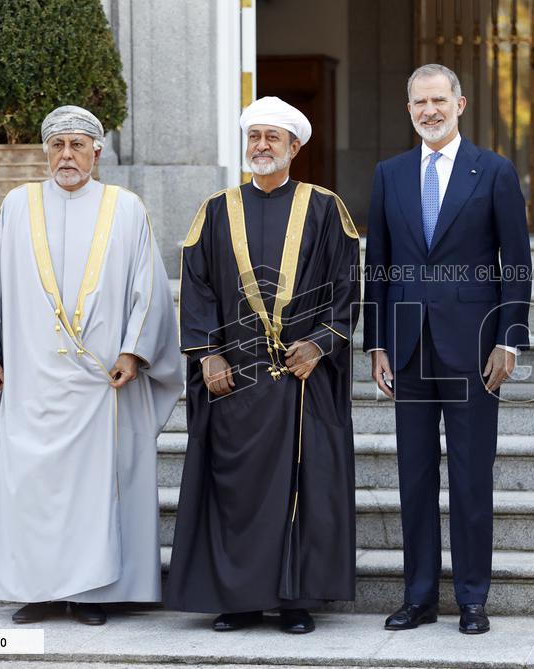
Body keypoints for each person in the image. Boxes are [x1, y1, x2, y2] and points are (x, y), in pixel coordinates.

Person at [0, 105, 183, 626]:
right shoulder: (17, 205)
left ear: (97, 151)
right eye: (58, 145)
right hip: (30, 378)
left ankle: (93, 592)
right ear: (46, 151)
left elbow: (149, 287)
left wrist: (134, 350)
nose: (67, 155)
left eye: (78, 145)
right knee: (34, 486)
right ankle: (39, 590)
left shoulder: (125, 208)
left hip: (103, 382)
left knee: (95, 490)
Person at [165, 96, 361, 635]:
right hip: (236, 377)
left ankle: (295, 601)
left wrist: (320, 344)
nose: (262, 145)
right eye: (254, 136)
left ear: (294, 147)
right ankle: (238, 600)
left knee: (302, 485)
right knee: (238, 491)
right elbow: (197, 286)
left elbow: (346, 285)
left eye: (273, 137)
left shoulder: (325, 208)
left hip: (303, 378)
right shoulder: (215, 209)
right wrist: (208, 353)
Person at [363, 64, 532, 635]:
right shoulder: (389, 174)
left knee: (470, 476)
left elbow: (517, 263)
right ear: (408, 108)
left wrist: (509, 339)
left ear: (460, 104)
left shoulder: (495, 171)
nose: (429, 111)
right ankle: (418, 597)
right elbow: (378, 265)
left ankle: (472, 598)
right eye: (419, 102)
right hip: (408, 347)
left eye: (439, 100)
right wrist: (378, 342)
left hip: (475, 348)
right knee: (413, 478)